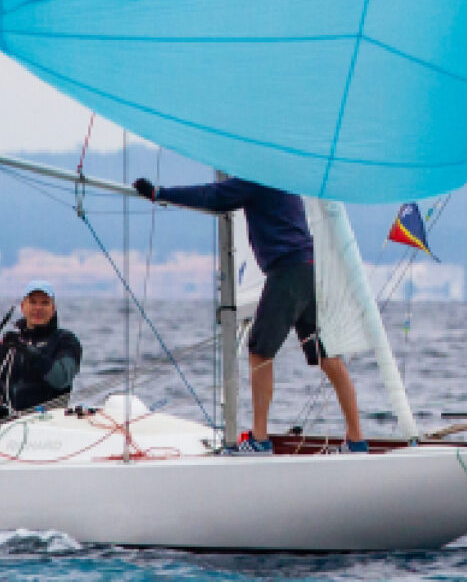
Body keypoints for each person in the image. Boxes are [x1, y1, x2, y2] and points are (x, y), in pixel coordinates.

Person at [130, 174, 364, 453]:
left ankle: (260, 439)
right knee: (329, 356)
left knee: (260, 352)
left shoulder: (255, 178)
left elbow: (211, 196)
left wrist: (160, 193)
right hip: (309, 269)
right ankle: (356, 440)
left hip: (287, 273)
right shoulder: (285, 178)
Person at [0, 284, 83, 420]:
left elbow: (61, 379)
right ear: (23, 307)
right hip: (4, 426)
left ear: (53, 309)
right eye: (33, 302)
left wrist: (26, 350)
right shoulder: (7, 345)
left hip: (47, 422)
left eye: (44, 303)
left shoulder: (65, 340)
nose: (38, 308)